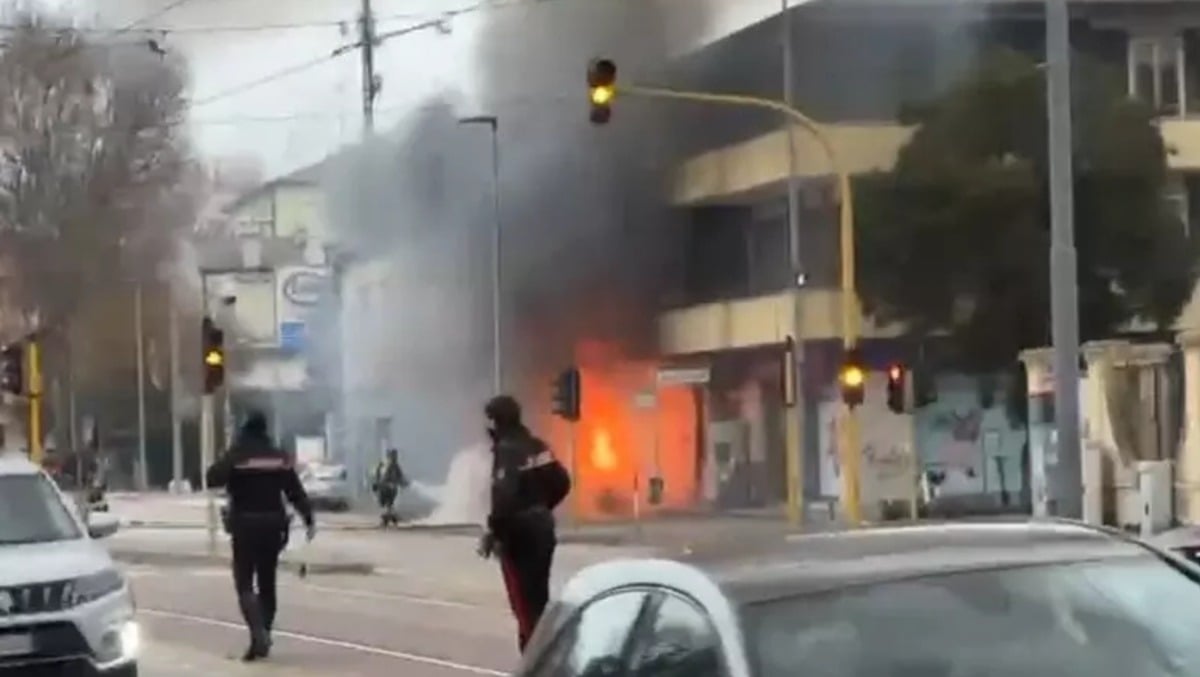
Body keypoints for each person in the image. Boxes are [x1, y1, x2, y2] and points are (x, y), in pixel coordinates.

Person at [206, 411, 315, 662]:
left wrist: (229, 456)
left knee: (244, 581)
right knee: (267, 582)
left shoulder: (238, 454)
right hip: (273, 526)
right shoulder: (278, 456)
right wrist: (308, 518)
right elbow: (294, 491)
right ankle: (264, 630)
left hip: (245, 526)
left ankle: (258, 633)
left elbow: (212, 478)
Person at [478, 395, 571, 652]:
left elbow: (504, 496)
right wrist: (542, 507)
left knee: (525, 609)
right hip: (543, 530)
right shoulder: (538, 446)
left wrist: (494, 532)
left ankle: (537, 661)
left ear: (497, 422)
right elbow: (562, 482)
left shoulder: (507, 450)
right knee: (538, 600)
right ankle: (541, 656)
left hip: (518, 537)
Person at [372, 448, 410, 527]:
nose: (395, 457)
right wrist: (376, 483)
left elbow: (400, 476)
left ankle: (388, 519)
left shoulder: (395, 466)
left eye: (395, 456)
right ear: (389, 456)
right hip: (384, 488)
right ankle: (390, 518)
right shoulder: (384, 464)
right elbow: (377, 474)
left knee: (389, 504)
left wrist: (403, 483)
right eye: (393, 455)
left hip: (391, 489)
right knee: (384, 504)